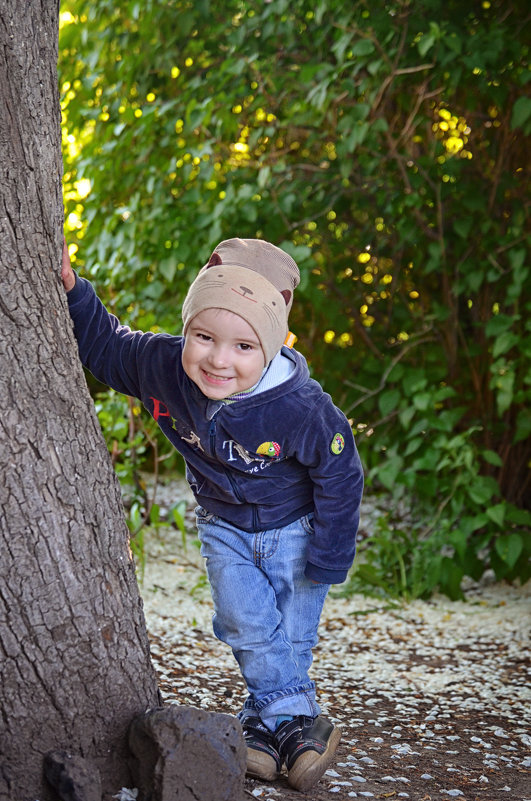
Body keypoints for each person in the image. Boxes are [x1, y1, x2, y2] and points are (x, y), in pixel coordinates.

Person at [61, 236, 364, 792]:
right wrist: (75, 291)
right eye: (203, 337)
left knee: (292, 639)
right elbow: (105, 348)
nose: (218, 360)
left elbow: (341, 474)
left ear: (270, 347)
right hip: (224, 527)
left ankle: (268, 729)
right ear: (188, 329)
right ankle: (300, 725)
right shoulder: (163, 368)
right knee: (246, 623)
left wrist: (331, 551)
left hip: (296, 529)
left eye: (243, 347)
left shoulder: (300, 405)